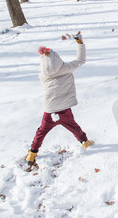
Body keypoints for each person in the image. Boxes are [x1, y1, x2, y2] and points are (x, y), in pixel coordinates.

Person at [25, 34, 94, 166]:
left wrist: (44, 54)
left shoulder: (43, 74)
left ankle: (32, 153)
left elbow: (47, 60)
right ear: (58, 59)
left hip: (50, 109)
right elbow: (81, 60)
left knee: (41, 132)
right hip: (64, 108)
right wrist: (80, 43)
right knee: (73, 126)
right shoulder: (66, 68)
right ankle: (84, 142)